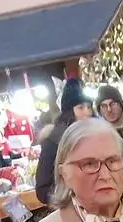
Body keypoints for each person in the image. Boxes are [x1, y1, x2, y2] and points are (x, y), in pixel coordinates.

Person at [34, 77, 94, 205]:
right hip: (68, 210)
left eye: (89, 107)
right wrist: (68, 198)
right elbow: (42, 189)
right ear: (69, 112)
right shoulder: (54, 140)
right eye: (81, 107)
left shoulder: (94, 136)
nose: (87, 112)